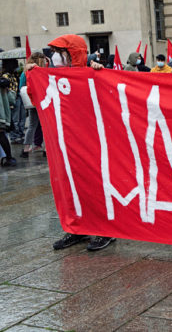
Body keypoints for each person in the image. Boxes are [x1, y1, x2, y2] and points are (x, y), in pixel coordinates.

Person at [26, 34, 116, 251]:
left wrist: (98, 71)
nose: (55, 57)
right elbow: (35, 97)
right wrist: (31, 75)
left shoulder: (90, 74)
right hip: (67, 144)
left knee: (96, 186)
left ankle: (106, 230)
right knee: (71, 186)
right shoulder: (52, 78)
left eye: (60, 52)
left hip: (92, 142)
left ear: (72, 54)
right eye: (54, 52)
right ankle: (77, 228)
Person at [20, 52, 48, 158]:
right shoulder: (41, 71)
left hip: (31, 102)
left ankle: (26, 148)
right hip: (42, 101)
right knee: (45, 125)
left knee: (32, 125)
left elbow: (21, 87)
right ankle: (46, 148)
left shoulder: (26, 71)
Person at [0, 61, 18, 167]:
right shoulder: (3, 81)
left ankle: (8, 157)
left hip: (2, 114)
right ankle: (8, 157)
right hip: (2, 114)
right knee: (1, 135)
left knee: (1, 135)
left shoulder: (3, 81)